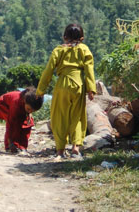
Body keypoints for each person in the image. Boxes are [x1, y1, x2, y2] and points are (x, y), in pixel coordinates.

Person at [36, 23, 96, 160]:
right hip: (78, 85)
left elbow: (48, 70)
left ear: (64, 37)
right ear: (82, 38)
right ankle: (75, 148)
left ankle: (60, 151)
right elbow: (89, 70)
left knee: (59, 117)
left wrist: (41, 90)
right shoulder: (84, 49)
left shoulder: (59, 50)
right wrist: (91, 89)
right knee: (78, 117)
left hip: (62, 84)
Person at [0, 87, 43, 153]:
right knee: (15, 125)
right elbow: (10, 125)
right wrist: (10, 143)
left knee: (28, 124)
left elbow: (29, 110)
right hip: (4, 105)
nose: (30, 111)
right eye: (29, 109)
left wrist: (29, 113)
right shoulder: (16, 104)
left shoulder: (29, 103)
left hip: (20, 106)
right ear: (24, 101)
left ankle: (22, 147)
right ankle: (9, 147)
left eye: (33, 111)